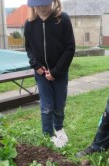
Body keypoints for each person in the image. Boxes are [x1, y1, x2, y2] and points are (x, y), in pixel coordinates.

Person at [24, 0, 75, 147]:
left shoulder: (63, 20)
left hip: (59, 72)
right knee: (46, 106)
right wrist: (36, 65)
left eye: (44, 3)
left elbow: (70, 48)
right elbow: (29, 49)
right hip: (41, 73)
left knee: (59, 103)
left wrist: (55, 71)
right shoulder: (29, 24)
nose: (41, 7)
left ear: (53, 2)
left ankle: (58, 128)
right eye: (37, 4)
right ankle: (47, 135)